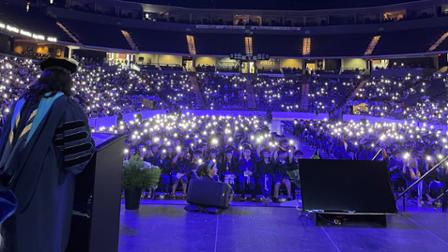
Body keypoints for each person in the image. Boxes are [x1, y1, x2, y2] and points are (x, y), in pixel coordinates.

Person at [0, 58, 95, 252]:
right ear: (67, 80)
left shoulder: (19, 103)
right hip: (45, 190)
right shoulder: (66, 106)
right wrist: (91, 144)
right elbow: (76, 157)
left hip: (8, 185)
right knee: (41, 238)